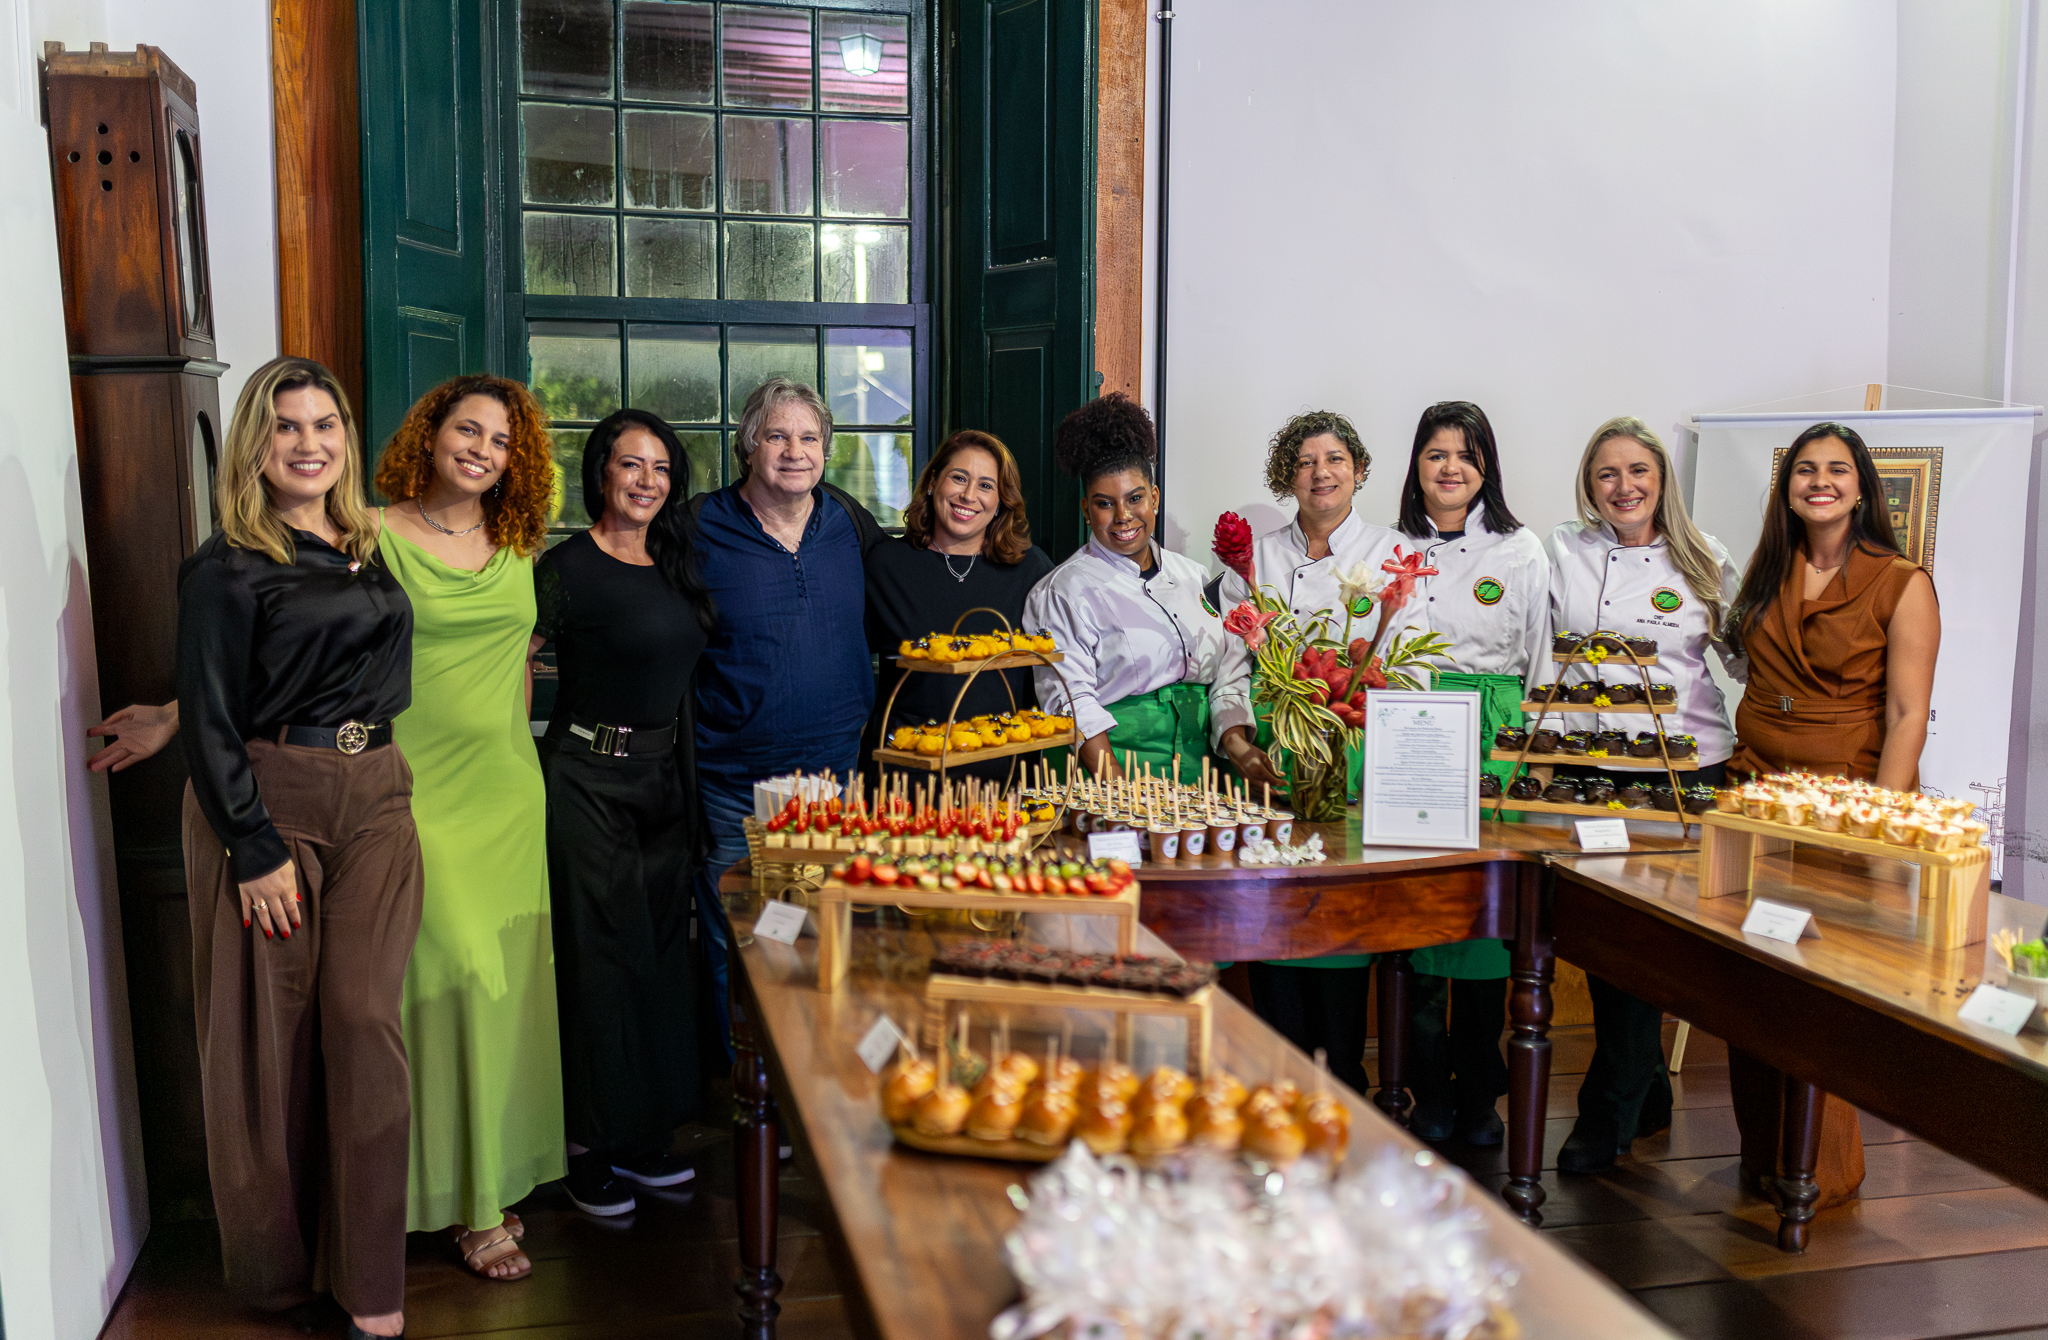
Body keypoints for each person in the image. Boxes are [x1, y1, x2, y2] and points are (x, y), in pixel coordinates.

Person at [174, 357, 418, 1340]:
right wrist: (250, 843)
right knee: (266, 1051)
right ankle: (279, 1280)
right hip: (272, 807)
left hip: (379, 799)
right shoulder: (226, 565)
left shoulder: (364, 544)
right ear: (254, 443)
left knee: (364, 1023)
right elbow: (212, 713)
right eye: (286, 426)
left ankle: (372, 1286)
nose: (309, 443)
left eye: (325, 424)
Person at [1722, 420, 1940, 1209]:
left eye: (1837, 469)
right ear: (1787, 490)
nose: (1820, 482)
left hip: (1844, 805)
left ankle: (1823, 1173)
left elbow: (1908, 715)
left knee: (1820, 990)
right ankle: (1762, 1154)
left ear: (1861, 487)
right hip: (1755, 797)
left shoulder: (1902, 582)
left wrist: (1880, 825)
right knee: (1750, 979)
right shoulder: (1766, 568)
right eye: (1805, 470)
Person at [374, 375, 564, 1280]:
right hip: (413, 791)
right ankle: (457, 1202)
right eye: (468, 430)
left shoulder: (518, 543)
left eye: (501, 440)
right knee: (446, 981)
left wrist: (518, 757)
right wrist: (181, 713)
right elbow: (291, 641)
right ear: (431, 432)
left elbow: (517, 663)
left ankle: (483, 1183)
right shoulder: (369, 533)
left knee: (499, 990)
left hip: (507, 796)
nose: (483, 449)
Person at [1542, 416, 1744, 1174]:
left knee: (1649, 937)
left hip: (1683, 769)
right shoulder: (1563, 549)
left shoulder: (1705, 558)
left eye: (1638, 472)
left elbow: (1748, 659)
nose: (1623, 487)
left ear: (1662, 481)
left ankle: (1608, 1110)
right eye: (1607, 473)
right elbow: (1541, 647)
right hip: (1592, 765)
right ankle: (1647, 1084)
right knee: (1603, 937)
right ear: (1588, 485)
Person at [533, 409, 718, 1216]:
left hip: (662, 784)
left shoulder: (677, 562)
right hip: (586, 780)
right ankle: (585, 1149)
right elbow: (507, 663)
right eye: (630, 464)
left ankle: (641, 1136)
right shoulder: (565, 568)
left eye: (661, 468)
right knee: (598, 965)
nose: (647, 480)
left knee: (655, 960)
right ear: (601, 472)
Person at [691, 377, 885, 1045]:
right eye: (776, 436)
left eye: (808, 437)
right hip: (733, 788)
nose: (793, 451)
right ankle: (747, 1082)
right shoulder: (699, 527)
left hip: (834, 781)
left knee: (823, 934)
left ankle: (816, 1073)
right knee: (740, 941)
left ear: (826, 450)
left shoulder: (848, 523)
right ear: (749, 446)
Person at [1213, 410, 1398, 1097]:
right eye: (1304, 462)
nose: (1320, 473)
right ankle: (1279, 1084)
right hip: (1269, 758)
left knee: (1340, 914)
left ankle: (1345, 1081)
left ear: (1358, 469)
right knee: (1273, 909)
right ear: (1286, 476)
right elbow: (1229, 668)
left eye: (1335, 459)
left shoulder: (1389, 550)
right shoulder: (1256, 559)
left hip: (1353, 748)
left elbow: (1406, 673)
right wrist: (1238, 741)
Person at [1386, 400, 1549, 1146]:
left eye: (1465, 454)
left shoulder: (1520, 550)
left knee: (1485, 918)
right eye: (1436, 453)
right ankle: (1428, 1090)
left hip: (1494, 735)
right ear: (1416, 465)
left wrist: (1525, 754)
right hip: (1413, 732)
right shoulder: (1389, 546)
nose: (1450, 468)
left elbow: (1539, 658)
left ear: (1487, 466)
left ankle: (1480, 1091)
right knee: (1418, 911)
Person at [1020, 393, 1259, 783]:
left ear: (1155, 498)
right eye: (1104, 504)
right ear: (1086, 510)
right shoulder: (1061, 592)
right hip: (1117, 767)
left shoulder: (1194, 575)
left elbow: (1226, 670)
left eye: (1135, 499)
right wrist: (1118, 790)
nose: (1123, 516)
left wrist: (1237, 744)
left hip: (1202, 768)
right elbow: (1070, 699)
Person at [865, 430, 1054, 780]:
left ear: (1001, 501)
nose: (969, 495)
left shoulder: (1031, 569)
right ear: (933, 482)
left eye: (986, 485)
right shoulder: (886, 565)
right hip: (906, 778)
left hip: (1005, 779)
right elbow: (848, 668)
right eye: (959, 478)